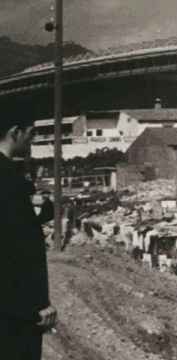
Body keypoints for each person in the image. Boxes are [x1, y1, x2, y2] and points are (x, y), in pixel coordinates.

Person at [0, 119, 57, 360]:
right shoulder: (10, 178)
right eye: (30, 134)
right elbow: (21, 246)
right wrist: (38, 302)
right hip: (14, 308)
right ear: (15, 132)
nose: (32, 140)